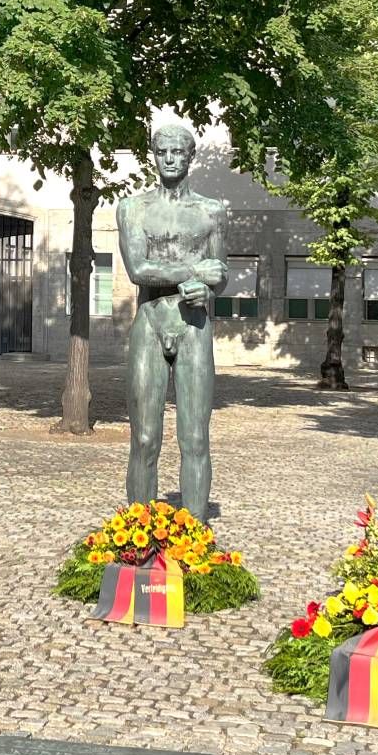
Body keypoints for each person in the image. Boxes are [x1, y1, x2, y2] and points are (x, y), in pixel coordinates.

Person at [115, 119, 227, 516]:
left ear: (190, 156)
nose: (169, 159)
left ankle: (195, 536)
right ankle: (137, 534)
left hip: (193, 327)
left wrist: (211, 285)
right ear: (153, 156)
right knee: (145, 438)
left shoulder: (211, 211)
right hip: (150, 323)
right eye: (162, 151)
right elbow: (139, 271)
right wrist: (198, 273)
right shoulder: (132, 208)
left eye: (178, 152)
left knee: (195, 438)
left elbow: (221, 273)